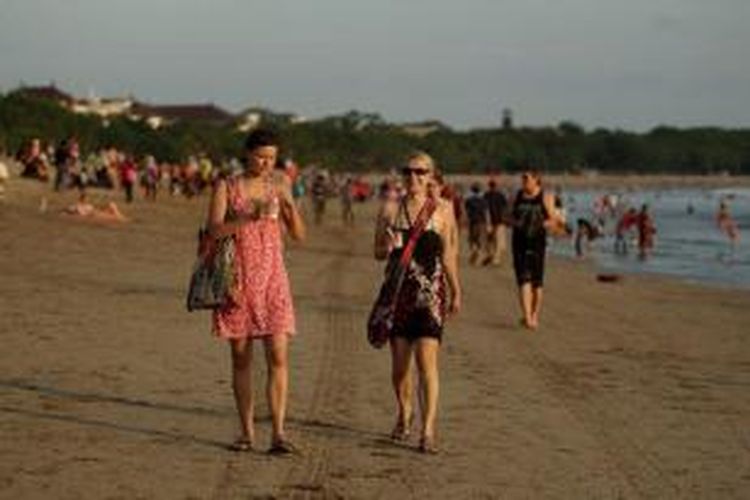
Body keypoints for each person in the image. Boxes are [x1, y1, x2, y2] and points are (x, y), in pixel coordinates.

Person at [207, 129, 305, 454]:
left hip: (274, 277)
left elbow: (299, 235)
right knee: (240, 358)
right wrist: (249, 215)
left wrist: (290, 208)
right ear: (247, 153)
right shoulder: (227, 186)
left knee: (279, 354)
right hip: (238, 278)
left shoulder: (280, 184)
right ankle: (247, 433)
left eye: (272, 158)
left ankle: (278, 433)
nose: (266, 163)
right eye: (261, 156)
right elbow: (215, 231)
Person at [374, 151, 461, 454]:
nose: (414, 177)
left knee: (427, 362)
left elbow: (449, 254)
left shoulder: (444, 210)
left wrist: (456, 289)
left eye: (421, 172)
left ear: (431, 175)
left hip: (431, 296)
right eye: (408, 171)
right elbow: (376, 252)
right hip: (399, 295)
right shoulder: (390, 209)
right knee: (400, 369)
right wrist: (387, 246)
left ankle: (427, 431)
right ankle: (404, 412)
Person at [510, 170, 565, 330]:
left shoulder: (546, 197)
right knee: (523, 280)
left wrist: (546, 223)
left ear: (536, 180)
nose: (524, 181)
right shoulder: (517, 196)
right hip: (519, 243)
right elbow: (508, 215)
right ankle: (527, 317)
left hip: (537, 244)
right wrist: (516, 222)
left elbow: (555, 220)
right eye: (523, 178)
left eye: (527, 178)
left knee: (537, 284)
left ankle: (534, 314)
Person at [483, 179, 508, 266]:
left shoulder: (486, 195)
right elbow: (505, 208)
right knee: (498, 242)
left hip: (489, 221)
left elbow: (484, 208)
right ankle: (495, 258)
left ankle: (491, 255)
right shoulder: (501, 195)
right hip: (499, 221)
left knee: (490, 240)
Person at [463, 182, 489, 265]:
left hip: (472, 222)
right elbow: (486, 212)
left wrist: (465, 221)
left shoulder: (469, 200)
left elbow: (466, 212)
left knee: (472, 239)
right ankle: (478, 255)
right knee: (480, 240)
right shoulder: (483, 200)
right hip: (481, 222)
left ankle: (474, 251)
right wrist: (488, 223)